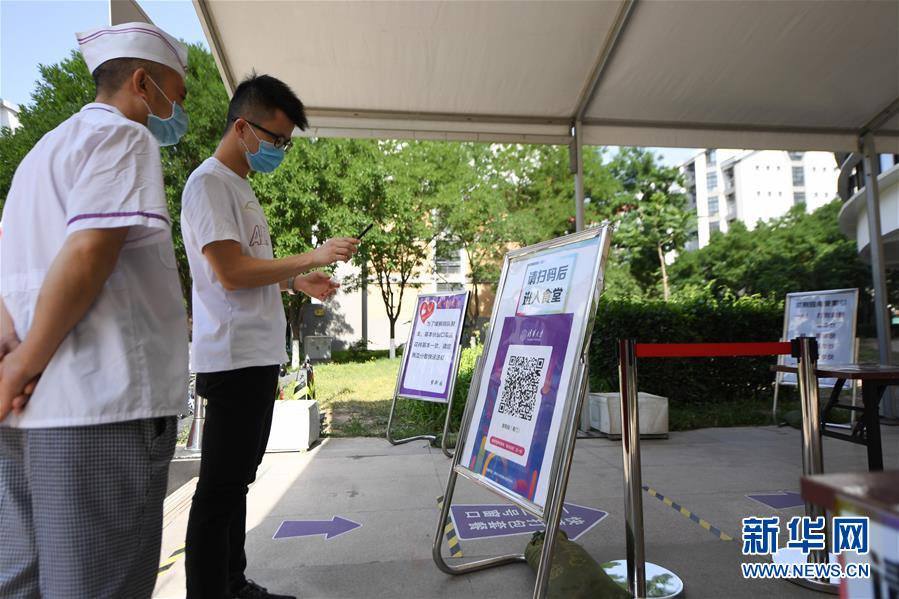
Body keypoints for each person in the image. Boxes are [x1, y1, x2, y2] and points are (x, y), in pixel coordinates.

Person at [0, 22, 190, 598]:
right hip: (100, 409)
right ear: (142, 83)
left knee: (23, 579)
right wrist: (24, 361)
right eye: (176, 96)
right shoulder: (124, 138)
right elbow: (88, 254)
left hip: (25, 411)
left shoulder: (41, 152)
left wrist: (12, 356)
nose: (178, 113)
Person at [181, 73, 358, 599]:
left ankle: (231, 583)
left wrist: (296, 281)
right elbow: (230, 272)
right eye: (275, 139)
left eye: (285, 142)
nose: (279, 150)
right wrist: (310, 256)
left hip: (255, 355)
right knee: (220, 488)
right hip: (232, 356)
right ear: (242, 127)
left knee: (236, 482)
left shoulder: (239, 188)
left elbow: (249, 268)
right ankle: (213, 591)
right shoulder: (209, 184)